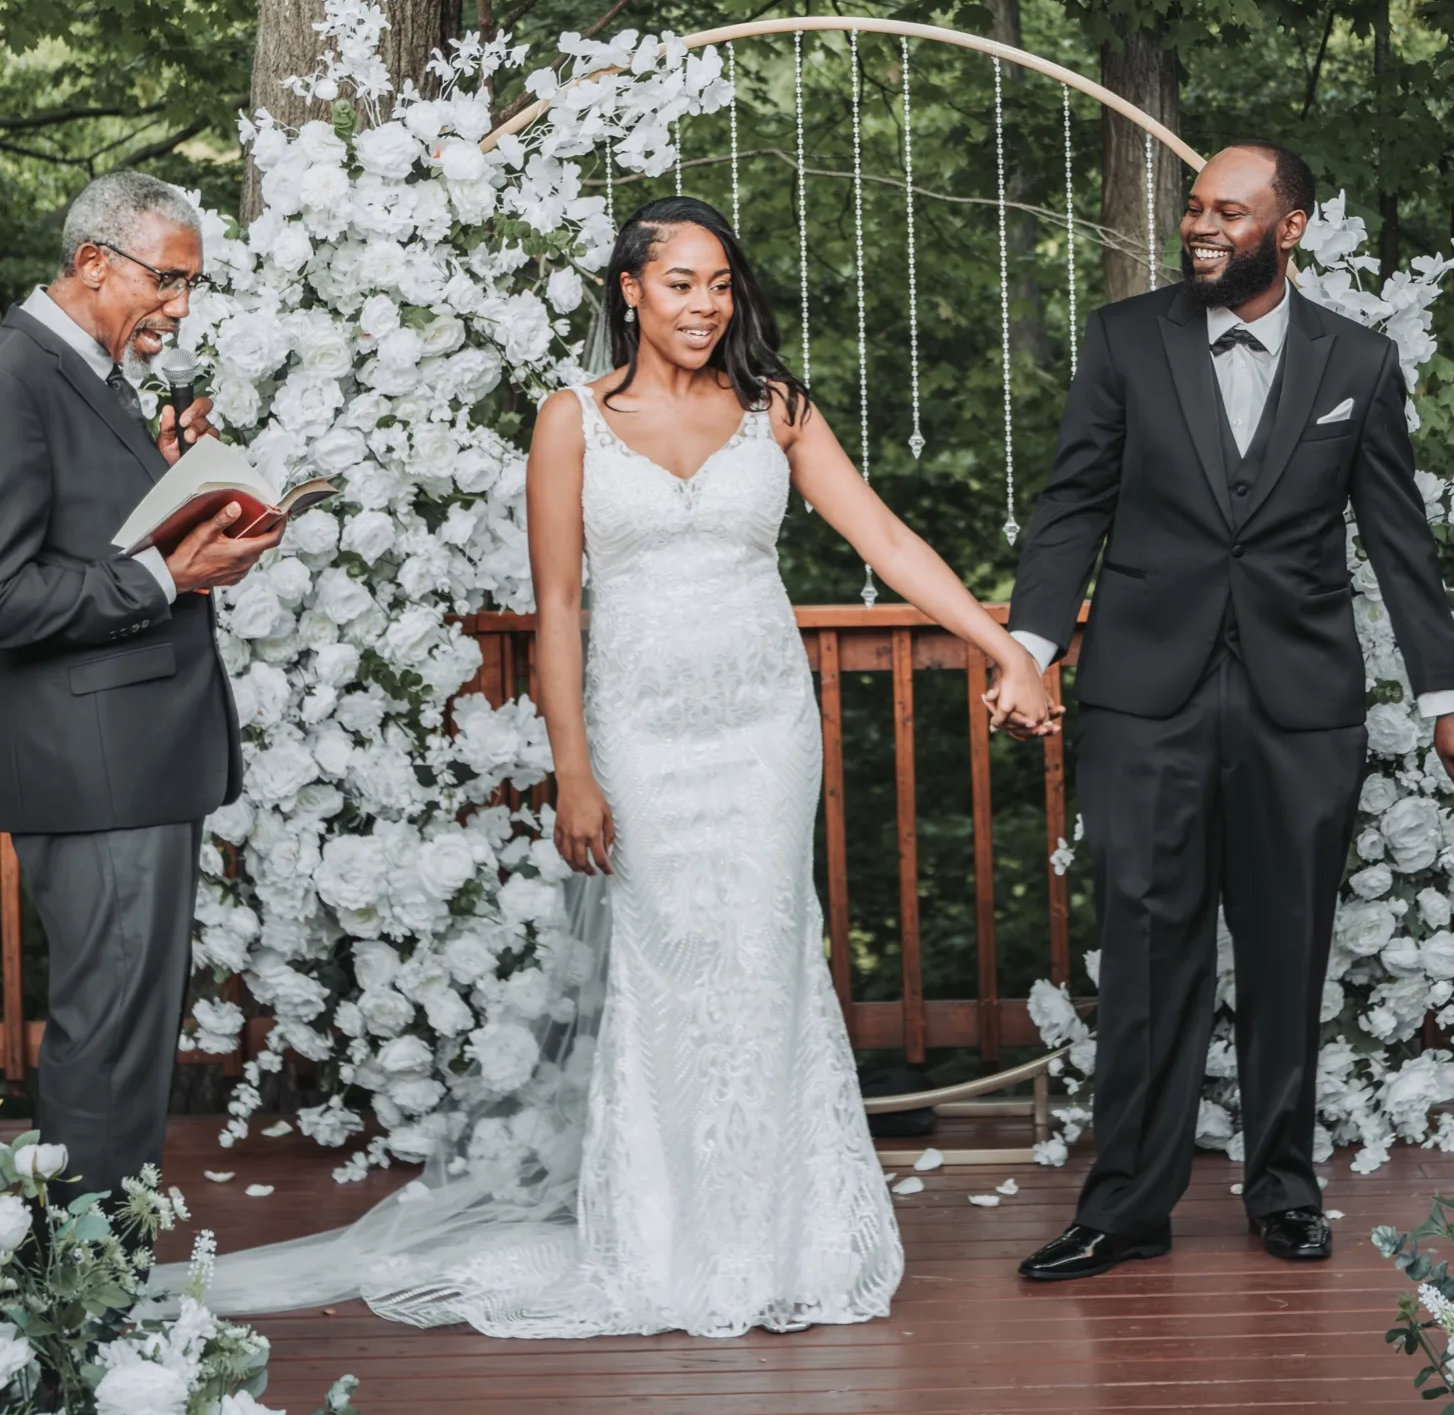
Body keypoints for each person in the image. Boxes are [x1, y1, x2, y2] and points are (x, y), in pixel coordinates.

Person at [181, 195, 1055, 1338]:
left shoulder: (776, 411)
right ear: (630, 292)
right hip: (639, 734)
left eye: (720, 284)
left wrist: (1005, 648)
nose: (704, 304)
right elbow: (554, 607)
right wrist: (572, 769)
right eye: (680, 282)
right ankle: (663, 1239)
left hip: (761, 733)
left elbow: (884, 542)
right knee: (667, 971)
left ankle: (787, 1238)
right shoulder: (570, 420)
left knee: (762, 960)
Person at [1005, 143, 1454, 1281]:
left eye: (1229, 210)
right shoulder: (1127, 338)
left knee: (1287, 952)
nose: (1200, 226)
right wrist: (1031, 648)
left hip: (1298, 704)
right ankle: (1125, 1204)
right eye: (1193, 208)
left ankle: (1282, 1190)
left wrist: (1445, 697)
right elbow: (1072, 502)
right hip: (1140, 700)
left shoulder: (1356, 361)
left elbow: (1396, 538)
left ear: (1293, 225)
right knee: (1142, 951)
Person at [0, 172, 284, 1193]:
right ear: (91, 263)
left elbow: (81, 528)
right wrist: (172, 571)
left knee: (127, 1034)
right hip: (94, 766)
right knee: (106, 1032)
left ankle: (105, 1290)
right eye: (169, 279)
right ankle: (85, 1313)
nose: (181, 305)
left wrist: (167, 480)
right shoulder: (17, 372)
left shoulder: (86, 372)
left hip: (130, 759)